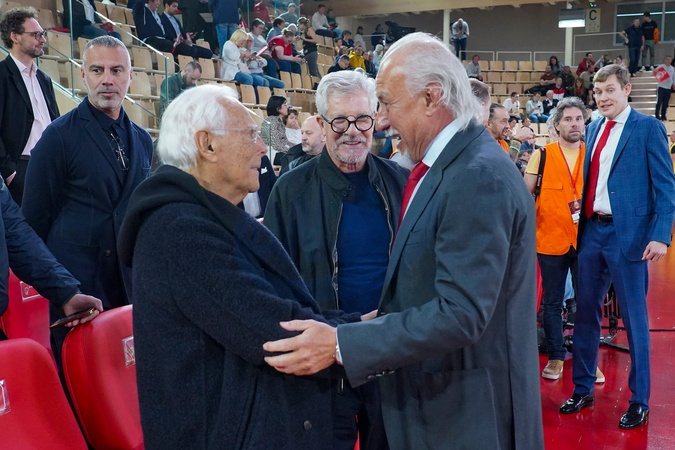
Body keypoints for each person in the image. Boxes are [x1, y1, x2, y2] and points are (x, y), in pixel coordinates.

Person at [262, 32, 544, 450]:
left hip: (466, 411)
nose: (381, 122)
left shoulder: (475, 175)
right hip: (423, 391)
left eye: (386, 104)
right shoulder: (454, 167)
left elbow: (462, 312)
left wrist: (341, 340)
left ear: (431, 98)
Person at [116, 83, 363, 449]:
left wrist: (359, 326)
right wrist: (367, 331)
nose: (262, 147)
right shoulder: (180, 232)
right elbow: (278, 333)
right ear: (207, 145)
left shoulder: (205, 219)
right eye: (250, 134)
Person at [265, 70, 407, 450]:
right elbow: (276, 284)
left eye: (362, 120)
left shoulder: (399, 182)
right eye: (340, 121)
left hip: (388, 355)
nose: (352, 131)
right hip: (322, 366)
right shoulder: (290, 191)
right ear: (322, 122)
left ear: (374, 120)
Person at [22, 36, 154, 366]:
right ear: (83, 75)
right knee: (81, 376)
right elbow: (34, 222)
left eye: (116, 70)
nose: (107, 79)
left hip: (127, 282)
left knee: (125, 380)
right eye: (97, 70)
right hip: (79, 287)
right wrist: (60, 286)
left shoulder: (143, 139)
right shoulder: (58, 137)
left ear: (130, 76)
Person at [559, 64, 675, 430]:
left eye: (610, 90)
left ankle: (640, 400)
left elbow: (666, 186)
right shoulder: (594, 128)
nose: (603, 97)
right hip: (593, 232)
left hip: (631, 237)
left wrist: (660, 234)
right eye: (598, 92)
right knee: (584, 314)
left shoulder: (648, 128)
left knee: (634, 319)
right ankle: (582, 388)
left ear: (626, 90)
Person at [523, 97, 605, 382]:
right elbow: (523, 196)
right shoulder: (542, 155)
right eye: (568, 119)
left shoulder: (594, 154)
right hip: (549, 240)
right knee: (552, 303)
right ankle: (556, 356)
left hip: (587, 242)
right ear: (556, 125)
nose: (574, 124)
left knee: (588, 303)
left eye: (579, 118)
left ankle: (587, 359)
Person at [0, 7, 60, 205]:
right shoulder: (2, 75)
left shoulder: (44, 79)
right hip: (20, 169)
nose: (42, 40)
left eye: (43, 34)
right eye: (36, 35)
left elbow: (55, 123)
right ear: (15, 37)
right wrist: (10, 173)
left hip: (50, 165)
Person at [261, 95, 293, 164]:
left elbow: (284, 141)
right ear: (278, 108)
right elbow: (276, 144)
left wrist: (296, 147)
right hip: (271, 152)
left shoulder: (279, 121)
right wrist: (291, 151)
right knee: (293, 158)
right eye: (284, 105)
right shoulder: (270, 121)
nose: (287, 107)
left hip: (280, 151)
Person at [654, 56, 674, 121]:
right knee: (659, 102)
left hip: (668, 88)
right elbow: (655, 73)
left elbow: (673, 77)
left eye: (670, 60)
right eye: (667, 59)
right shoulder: (660, 67)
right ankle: (657, 115)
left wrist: (674, 84)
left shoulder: (672, 69)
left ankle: (663, 115)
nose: (668, 61)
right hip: (661, 87)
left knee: (665, 103)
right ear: (665, 60)